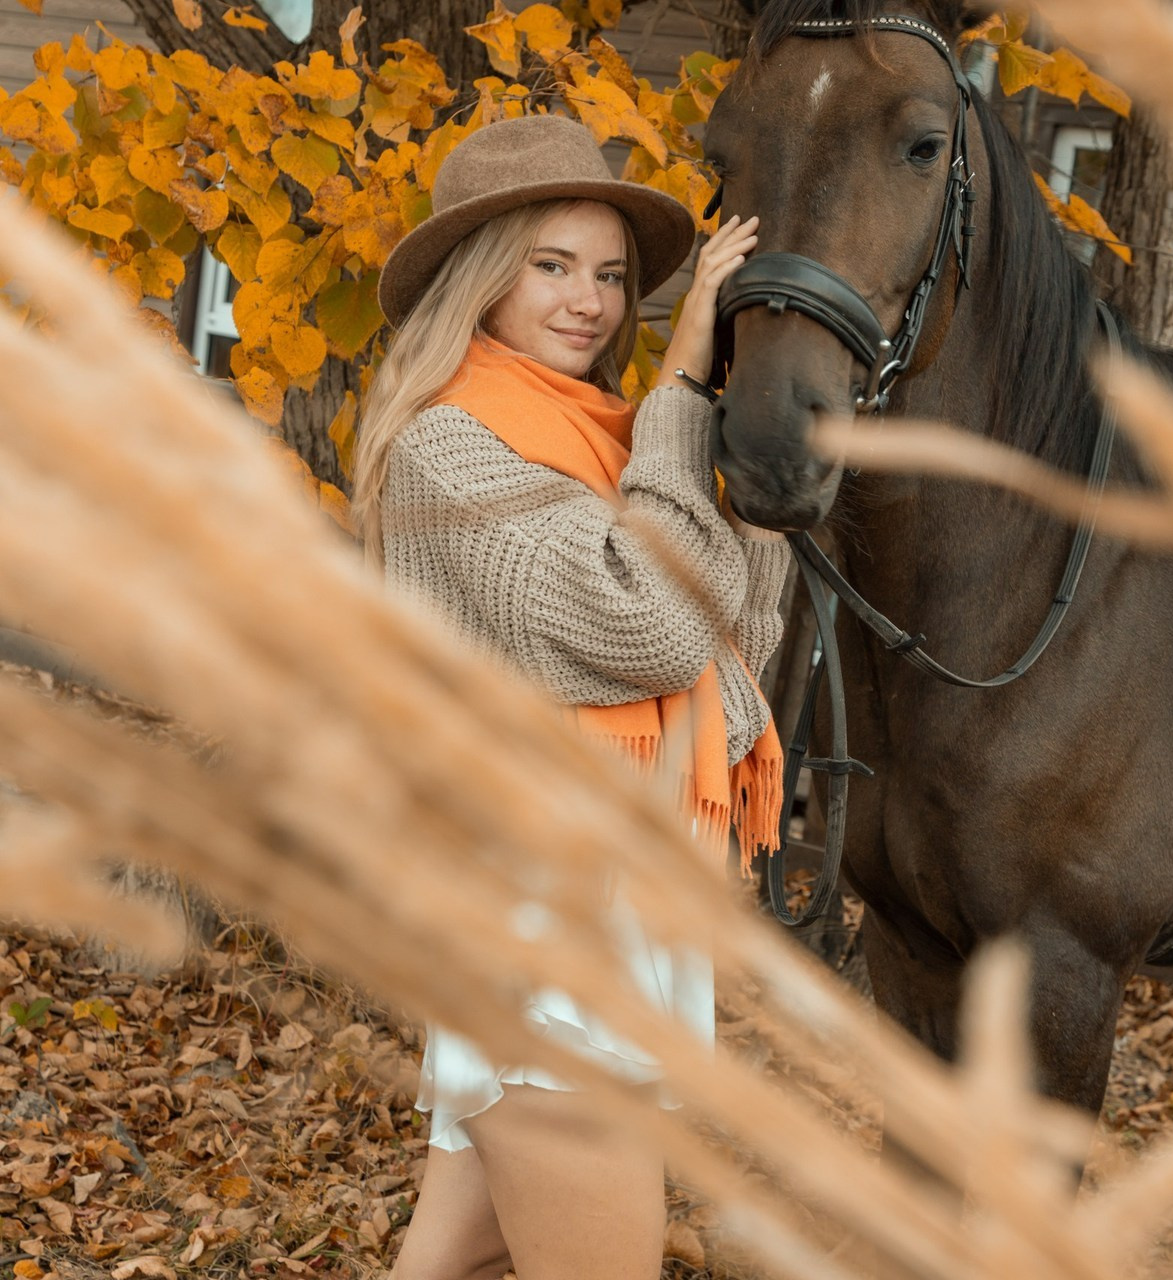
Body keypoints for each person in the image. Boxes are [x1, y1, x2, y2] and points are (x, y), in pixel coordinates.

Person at [353, 113, 789, 1280]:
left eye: (608, 275)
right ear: (482, 278)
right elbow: (646, 624)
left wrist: (736, 450)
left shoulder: (613, 443)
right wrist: (683, 389)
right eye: (550, 266)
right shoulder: (457, 442)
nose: (589, 301)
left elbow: (733, 651)